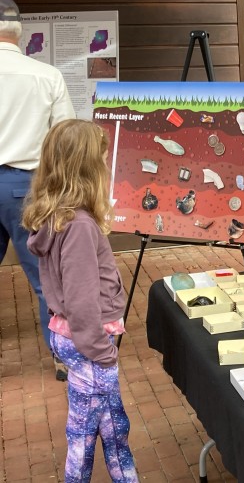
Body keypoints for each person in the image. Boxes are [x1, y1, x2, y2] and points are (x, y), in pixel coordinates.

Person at [22, 119, 139, 482]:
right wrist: (101, 351)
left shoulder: (59, 218)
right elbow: (81, 298)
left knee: (112, 426)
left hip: (77, 340)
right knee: (84, 438)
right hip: (88, 343)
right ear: (88, 170)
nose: (107, 168)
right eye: (103, 161)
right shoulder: (80, 227)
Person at [0, 0, 75, 379]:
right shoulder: (47, 76)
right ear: (20, 32)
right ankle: (63, 356)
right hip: (25, 187)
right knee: (45, 276)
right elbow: (65, 139)